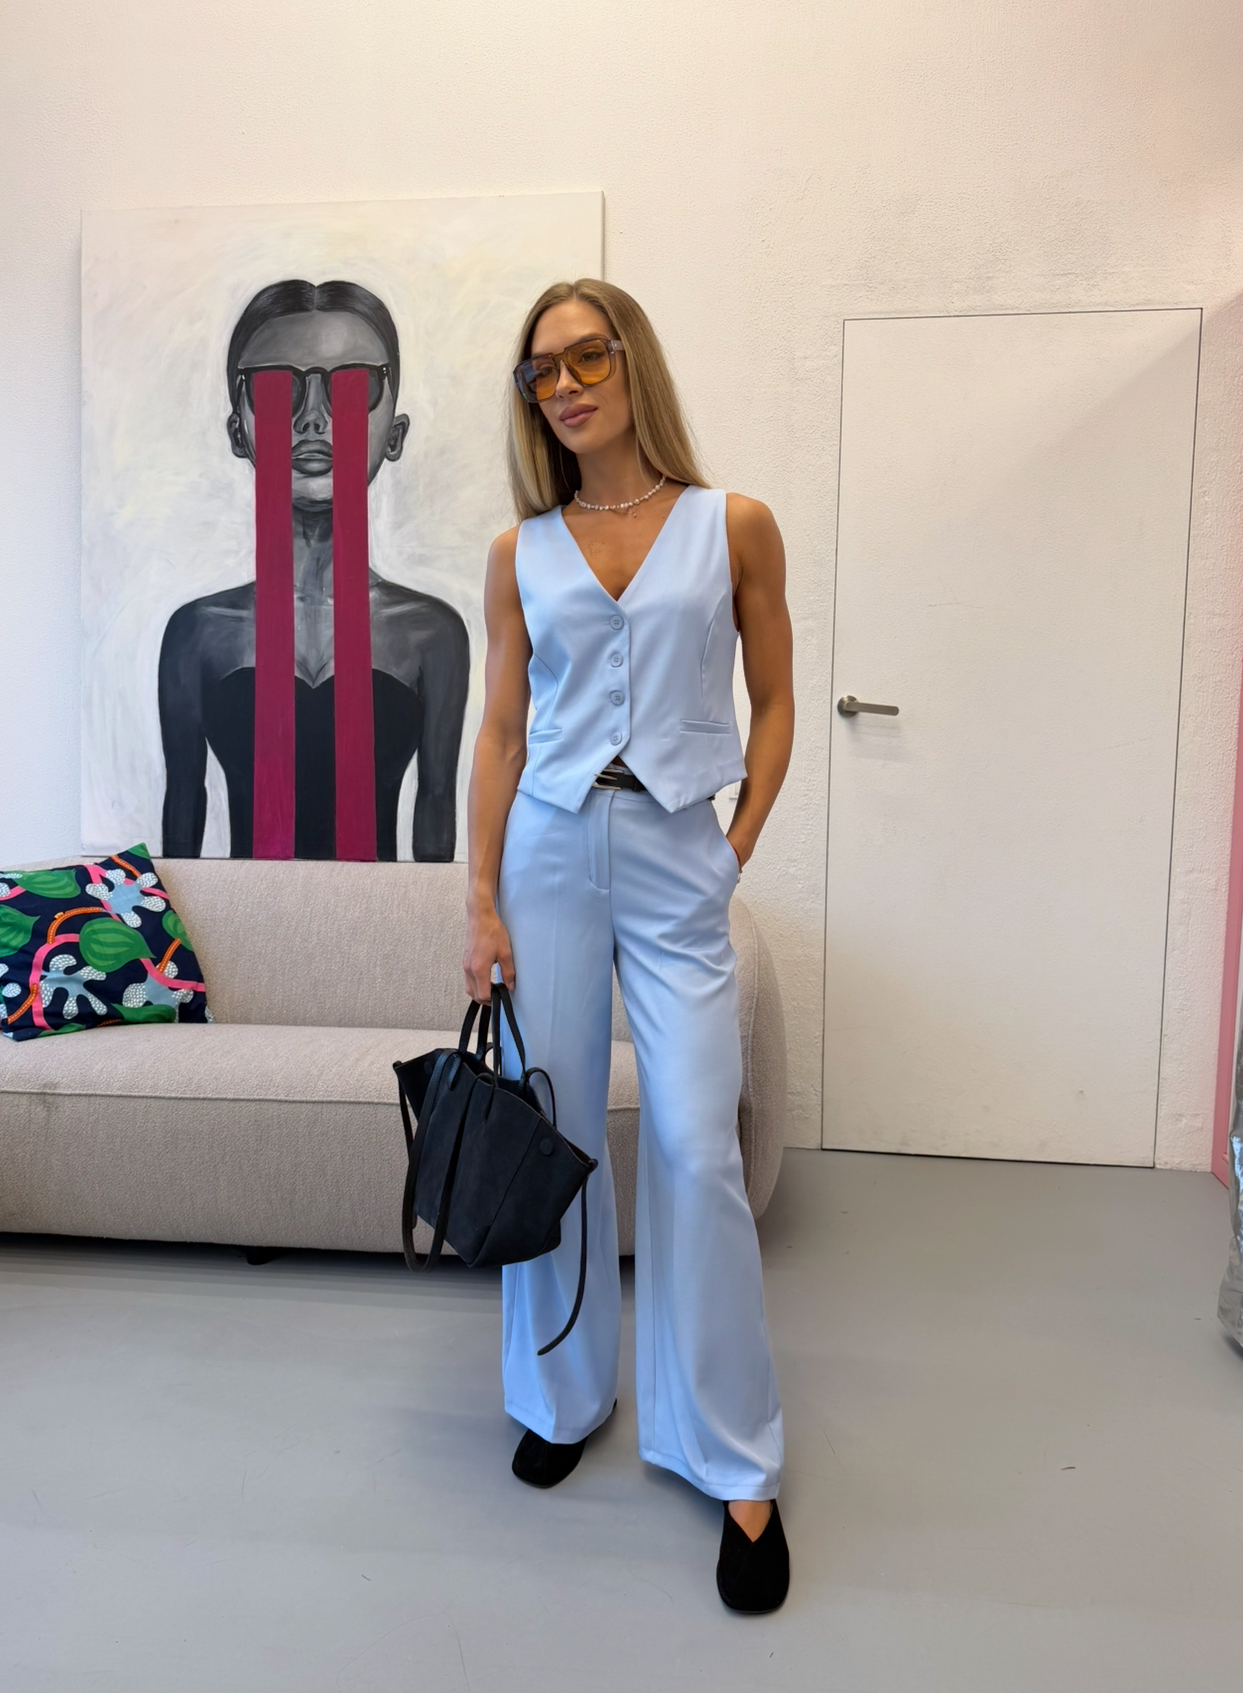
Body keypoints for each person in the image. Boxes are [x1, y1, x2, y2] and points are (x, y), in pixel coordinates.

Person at [462, 279, 795, 1612]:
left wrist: (734, 844)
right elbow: (498, 733)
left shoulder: (732, 526)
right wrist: (478, 900)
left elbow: (775, 701)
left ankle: (733, 1453)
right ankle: (559, 1393)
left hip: (672, 851)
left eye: (585, 356)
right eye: (540, 370)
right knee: (555, 1129)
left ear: (630, 361)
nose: (563, 385)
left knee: (695, 1144)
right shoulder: (519, 551)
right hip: (546, 851)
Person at [159, 280, 469, 860]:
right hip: (238, 911)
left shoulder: (432, 632)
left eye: (355, 385)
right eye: (277, 388)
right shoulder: (197, 633)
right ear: (238, 432)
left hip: (378, 911)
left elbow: (436, 809)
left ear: (395, 434)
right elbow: (182, 822)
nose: (312, 419)